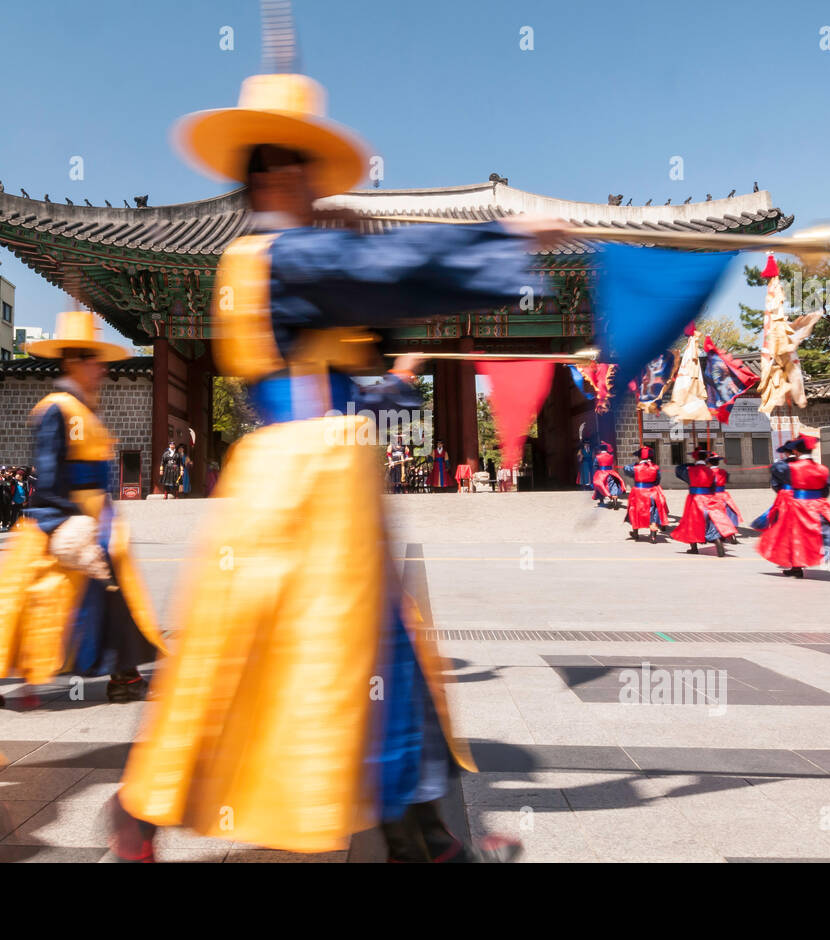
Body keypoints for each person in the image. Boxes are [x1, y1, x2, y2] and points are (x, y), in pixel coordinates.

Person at [111, 57, 560, 863]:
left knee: (371, 647)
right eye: (306, 170)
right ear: (277, 173)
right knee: (284, 650)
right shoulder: (284, 256)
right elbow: (383, 273)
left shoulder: (270, 263)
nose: (318, 187)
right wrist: (505, 240)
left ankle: (415, 825)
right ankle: (148, 809)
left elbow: (352, 347)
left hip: (310, 472)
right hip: (305, 487)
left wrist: (391, 369)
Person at [0, 311, 167, 708]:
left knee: (107, 595)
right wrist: (62, 522)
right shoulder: (56, 408)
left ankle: (125, 674)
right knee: (29, 602)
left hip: (95, 518)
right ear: (74, 362)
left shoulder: (82, 407)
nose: (102, 370)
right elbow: (50, 471)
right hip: (67, 517)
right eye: (94, 361)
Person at [755, 434, 830, 581]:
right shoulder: (822, 468)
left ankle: (797, 567)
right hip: (820, 504)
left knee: (795, 536)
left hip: (799, 505)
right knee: (828, 533)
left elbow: (779, 477)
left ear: (796, 451)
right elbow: (826, 490)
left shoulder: (790, 467)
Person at [671, 447, 735, 556]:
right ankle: (716, 540)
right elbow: (713, 486)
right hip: (709, 498)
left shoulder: (689, 471)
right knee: (712, 521)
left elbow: (678, 470)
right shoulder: (711, 471)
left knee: (691, 522)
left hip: (695, 499)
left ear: (695, 458)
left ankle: (694, 547)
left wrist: (691, 464)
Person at [623, 445, 669, 542]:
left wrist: (636, 463)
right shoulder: (655, 467)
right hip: (652, 492)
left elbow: (625, 469)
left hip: (638, 493)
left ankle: (635, 533)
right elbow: (657, 481)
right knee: (653, 512)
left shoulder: (635, 468)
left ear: (640, 457)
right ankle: (653, 536)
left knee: (634, 511)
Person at [751, 441, 795, 531]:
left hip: (786, 494)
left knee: (780, 515)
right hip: (805, 495)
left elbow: (775, 483)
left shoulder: (779, 465)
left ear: (786, 452)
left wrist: (780, 490)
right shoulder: (808, 464)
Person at [708, 452, 741, 544]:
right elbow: (727, 480)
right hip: (724, 495)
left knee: (713, 515)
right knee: (728, 514)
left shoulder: (708, 472)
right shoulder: (724, 472)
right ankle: (732, 535)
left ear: (709, 463)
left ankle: (714, 534)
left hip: (713, 495)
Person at [590, 441, 626, 508]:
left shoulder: (597, 457)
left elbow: (595, 466)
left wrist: (595, 474)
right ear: (606, 449)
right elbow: (612, 463)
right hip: (610, 472)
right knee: (613, 485)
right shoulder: (611, 456)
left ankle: (601, 500)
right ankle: (615, 498)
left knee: (600, 486)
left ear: (600, 449)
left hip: (601, 474)